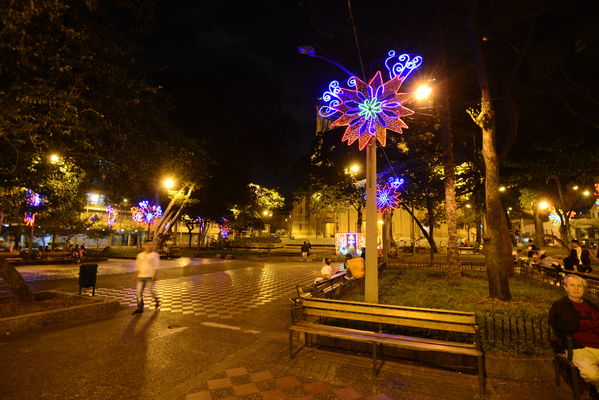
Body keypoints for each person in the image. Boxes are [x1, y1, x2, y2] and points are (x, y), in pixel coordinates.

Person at [550, 275, 599, 399]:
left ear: (584, 289)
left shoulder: (592, 306)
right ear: (566, 288)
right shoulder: (560, 306)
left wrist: (583, 325)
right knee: (592, 375)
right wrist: (593, 325)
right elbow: (566, 327)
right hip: (578, 347)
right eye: (572, 285)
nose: (576, 289)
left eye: (579, 286)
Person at [132, 240, 160, 314]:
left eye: (152, 245)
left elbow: (156, 266)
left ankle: (156, 299)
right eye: (148, 244)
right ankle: (140, 308)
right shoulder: (140, 255)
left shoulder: (155, 255)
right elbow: (137, 266)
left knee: (151, 291)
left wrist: (154, 275)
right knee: (138, 293)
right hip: (141, 276)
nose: (150, 246)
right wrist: (135, 275)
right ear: (145, 245)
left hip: (149, 277)